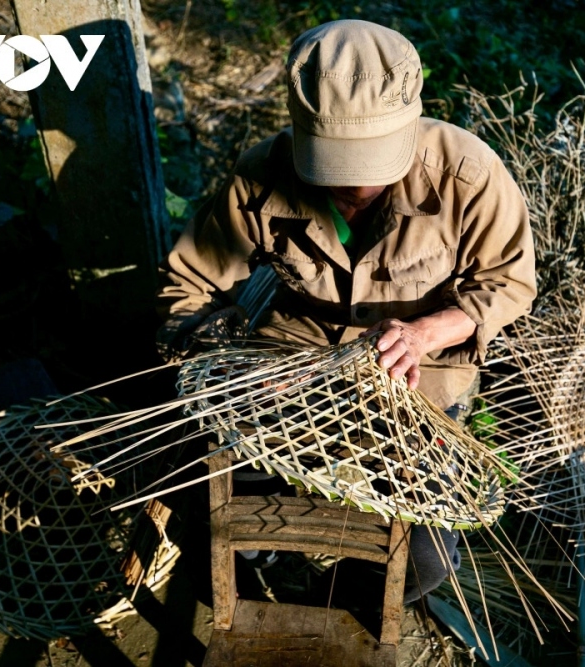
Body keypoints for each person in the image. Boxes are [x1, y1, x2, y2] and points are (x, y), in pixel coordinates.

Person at [156, 19, 536, 604]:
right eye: (335, 169)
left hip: (417, 370)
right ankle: (266, 567)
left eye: (372, 168)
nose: (355, 189)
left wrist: (427, 332)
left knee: (424, 561)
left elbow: (509, 283)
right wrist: (229, 361)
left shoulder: (469, 176)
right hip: (291, 359)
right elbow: (189, 286)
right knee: (205, 494)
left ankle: (333, 602)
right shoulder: (261, 175)